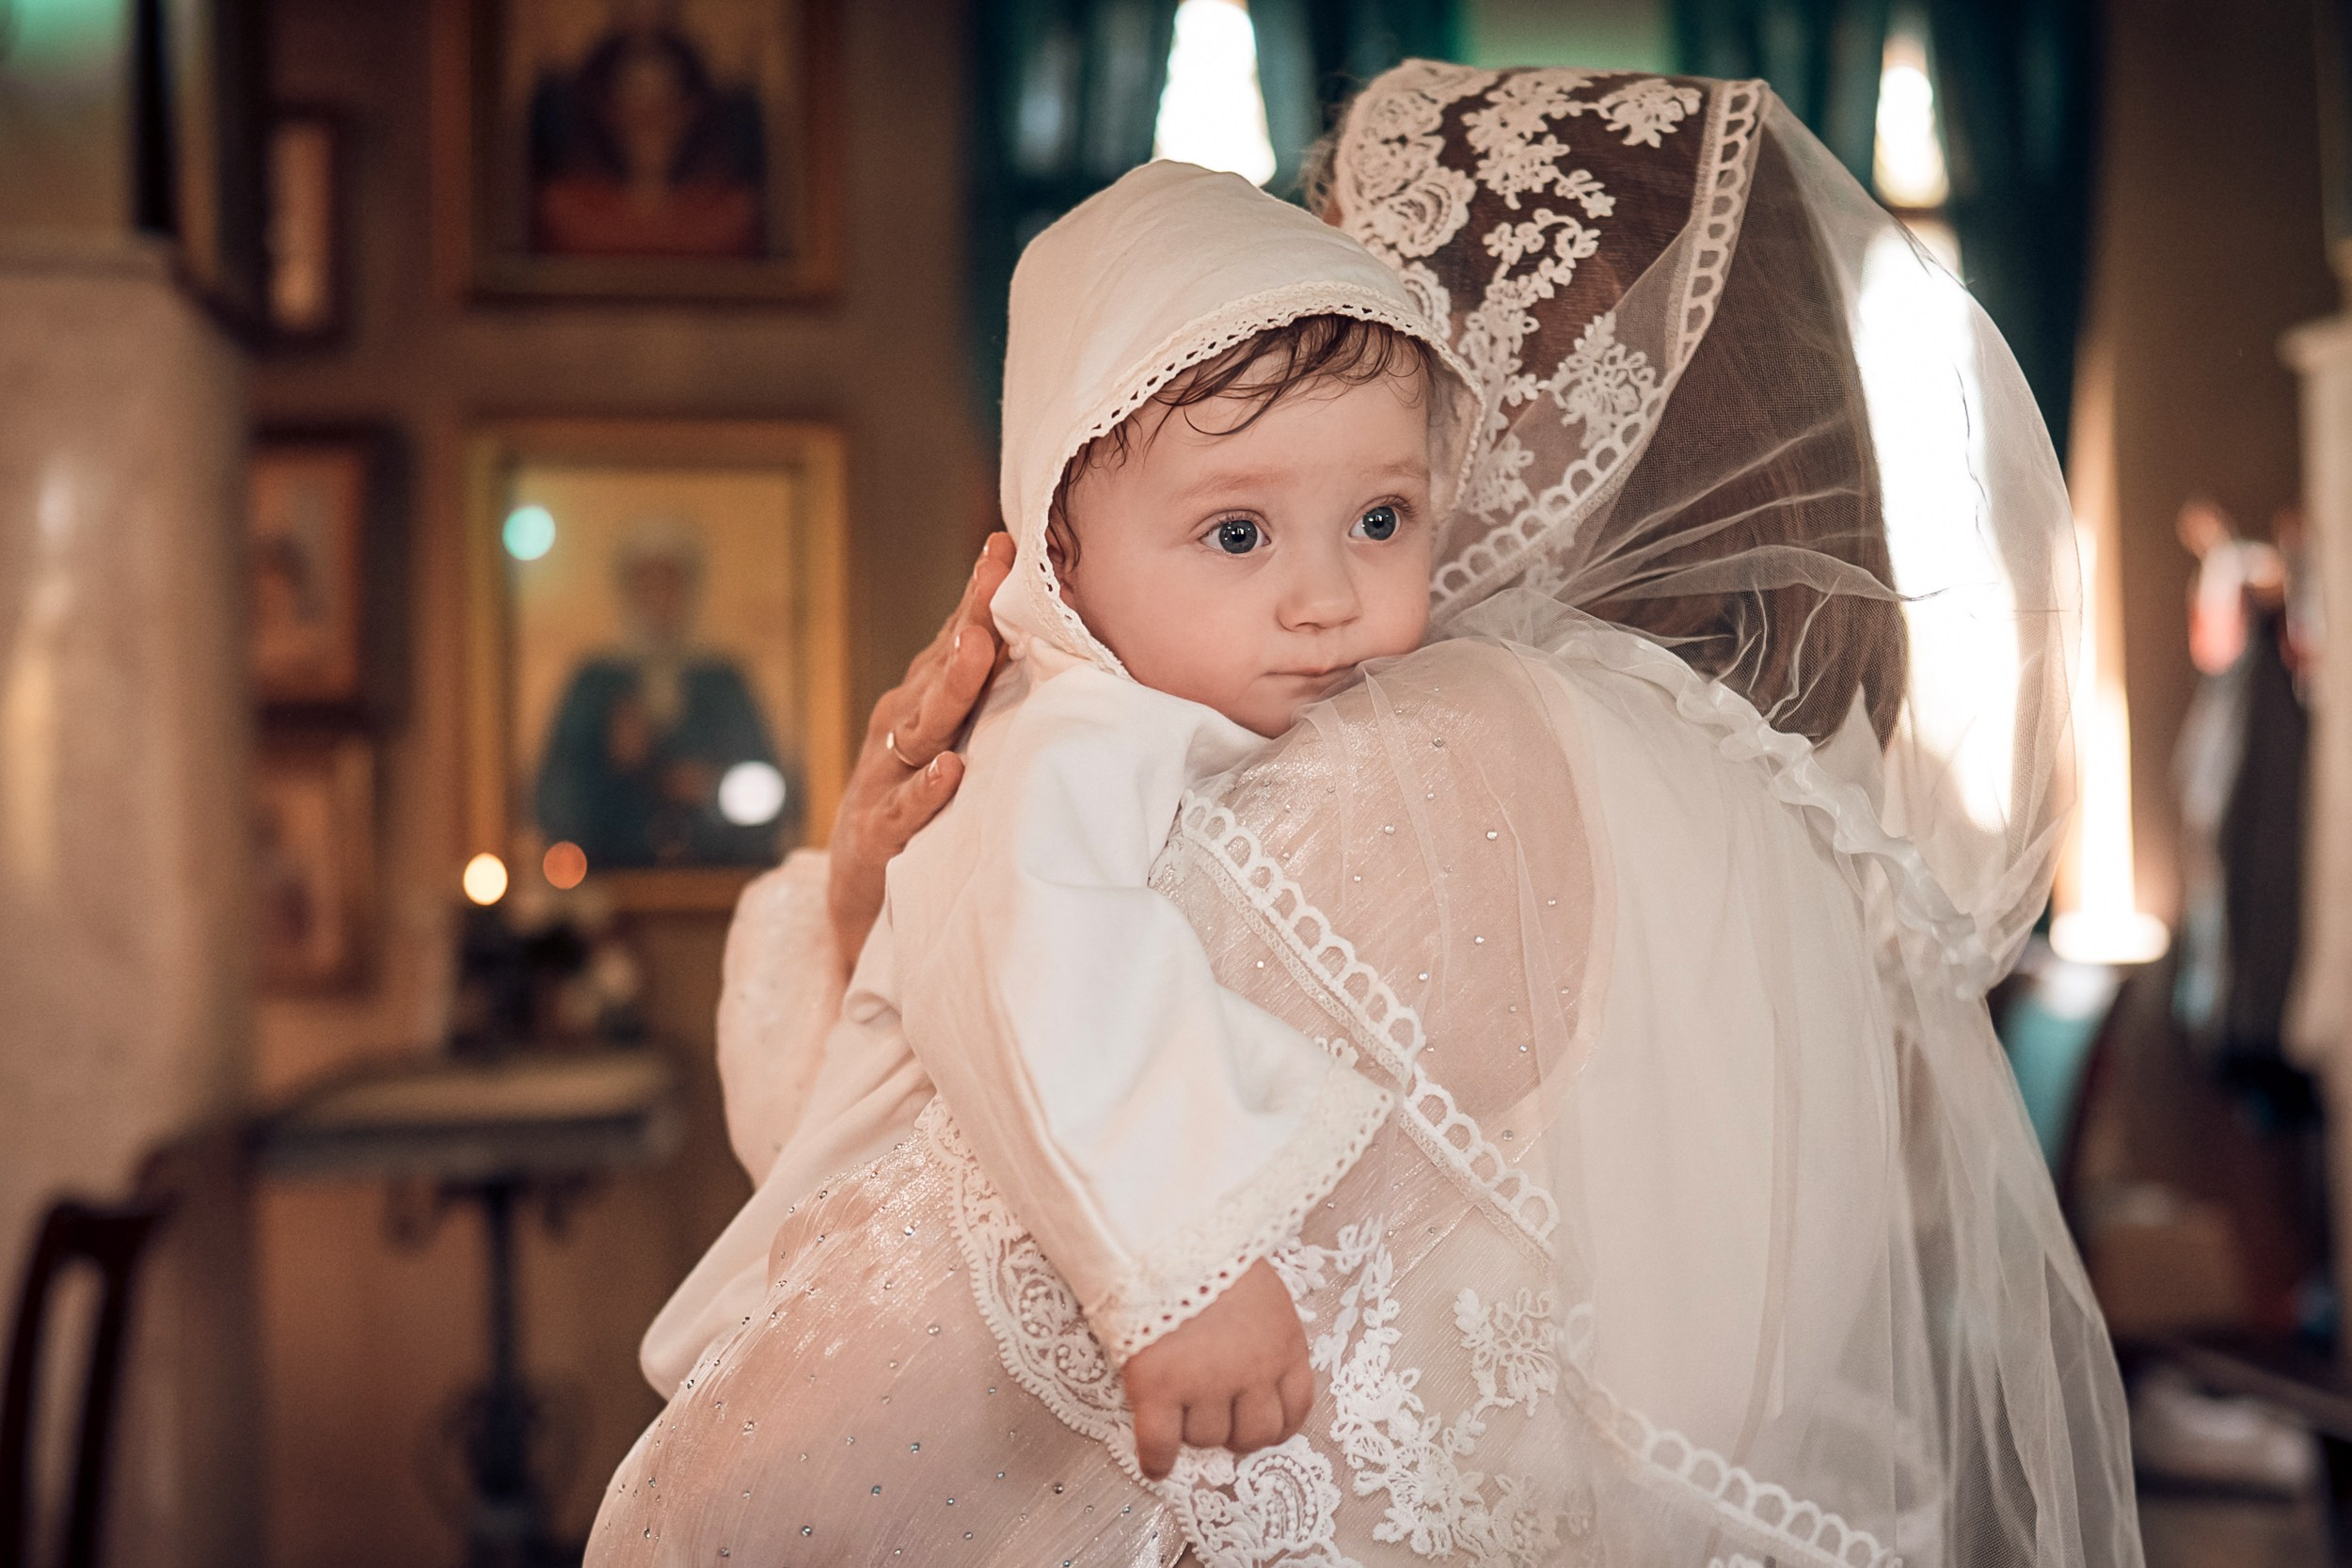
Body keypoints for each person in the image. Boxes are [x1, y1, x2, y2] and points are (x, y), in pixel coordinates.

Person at [596, 65, 2141, 1568]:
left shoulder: (1437, 757)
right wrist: (878, 916)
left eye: (1380, 497)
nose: (1322, 588)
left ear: (1511, 391)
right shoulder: (1810, 851)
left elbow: (823, 1466)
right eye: (1241, 520)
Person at [533, 520, 799, 868]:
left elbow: (770, 793)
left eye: (670, 584)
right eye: (646, 584)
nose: (658, 599)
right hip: (611, 874)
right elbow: (553, 799)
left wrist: (710, 788)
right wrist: (613, 765)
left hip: (712, 873)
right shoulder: (595, 683)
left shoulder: (722, 682)